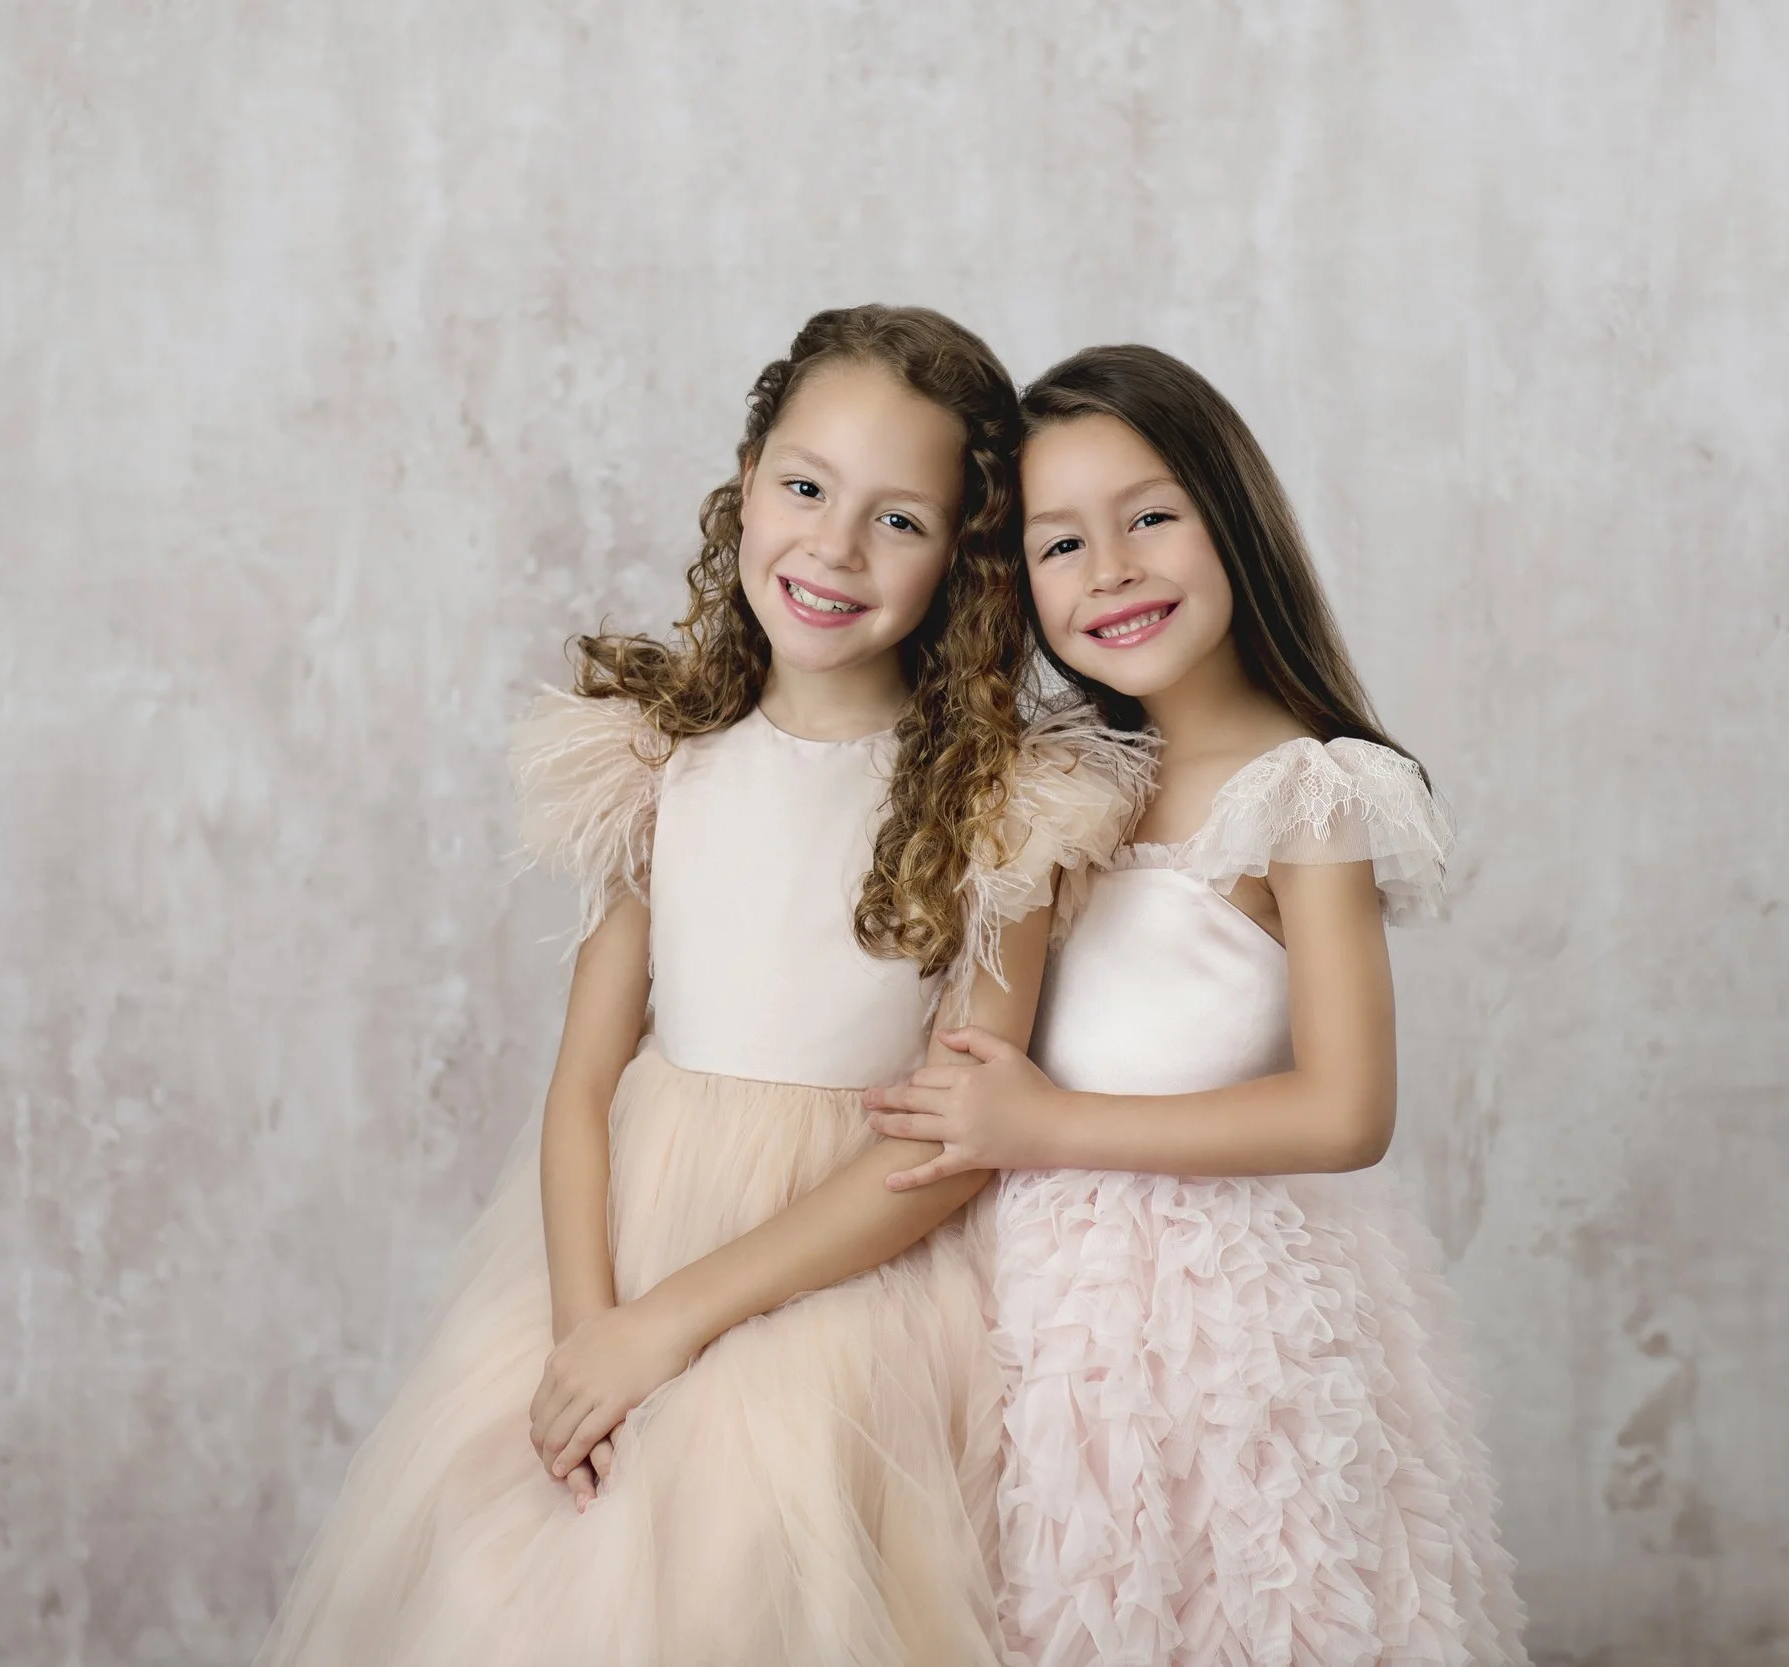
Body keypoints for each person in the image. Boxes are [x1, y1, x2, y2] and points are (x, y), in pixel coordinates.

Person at [258, 306, 1147, 1667]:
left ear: (964, 556)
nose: (834, 549)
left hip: (843, 1275)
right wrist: (591, 1335)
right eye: (806, 489)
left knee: (744, 1569)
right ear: (746, 484)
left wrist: (670, 1327)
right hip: (621, 1249)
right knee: (523, 1586)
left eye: (898, 520)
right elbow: (582, 1087)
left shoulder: (1001, 807)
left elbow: (954, 1146)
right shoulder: (660, 762)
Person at [867, 345, 1528, 1666]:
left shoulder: (1303, 788)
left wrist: (1050, 1126)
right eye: (1061, 544)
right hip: (1056, 1316)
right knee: (1072, 1598)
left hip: (1236, 1328)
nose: (1110, 568)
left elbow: (1346, 1111)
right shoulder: (1059, 783)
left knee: (1246, 1603)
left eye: (1151, 517)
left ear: (1232, 518)